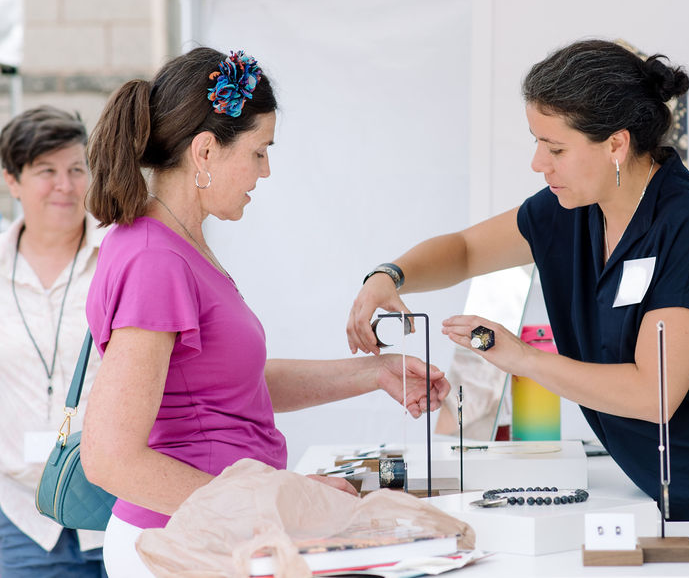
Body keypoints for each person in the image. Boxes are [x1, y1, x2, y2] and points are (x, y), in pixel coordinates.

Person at [347, 38, 689, 521]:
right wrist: (390, 275)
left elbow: (654, 394)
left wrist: (521, 358)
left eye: (555, 147)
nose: (538, 163)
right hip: (686, 500)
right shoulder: (571, 209)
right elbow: (467, 249)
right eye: (537, 142)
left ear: (616, 144)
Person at [80, 47, 450, 578]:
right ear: (205, 151)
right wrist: (280, 502)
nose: (267, 170)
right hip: (181, 545)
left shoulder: (174, 244)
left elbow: (230, 386)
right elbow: (110, 458)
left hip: (213, 535)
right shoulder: (154, 260)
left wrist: (373, 372)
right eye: (258, 151)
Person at [0, 106, 106, 577]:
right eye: (47, 171)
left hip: (119, 511)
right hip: (21, 517)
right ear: (12, 180)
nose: (65, 185)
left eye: (76, 169)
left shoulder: (122, 259)